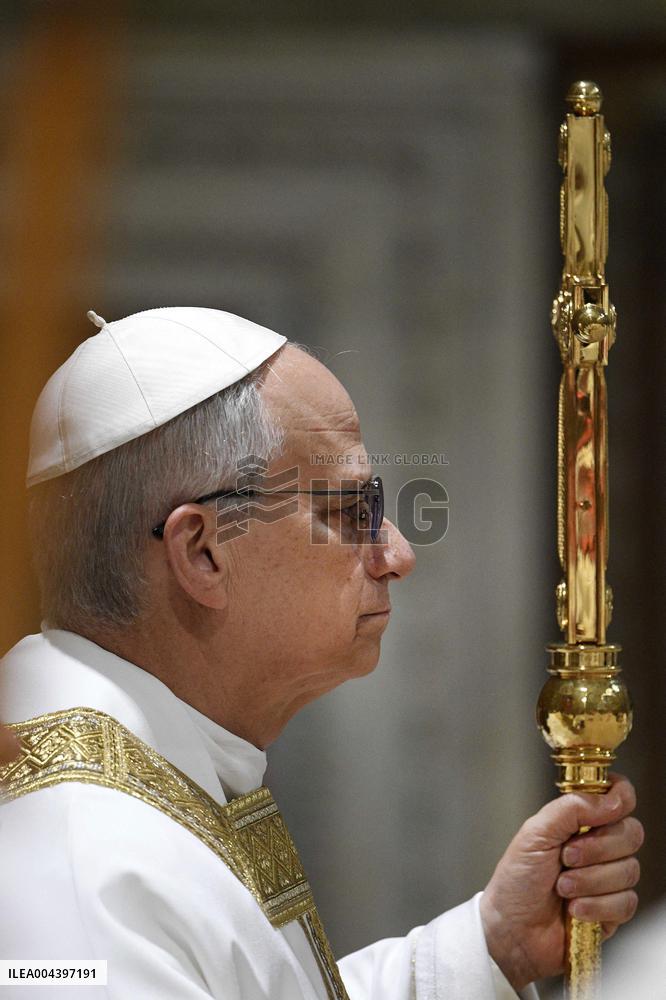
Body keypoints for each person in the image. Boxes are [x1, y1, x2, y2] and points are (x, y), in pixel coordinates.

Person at [0, 307, 643, 1000]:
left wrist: (491, 947)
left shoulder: (136, 789)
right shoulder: (79, 860)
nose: (398, 555)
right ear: (201, 552)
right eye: (349, 512)